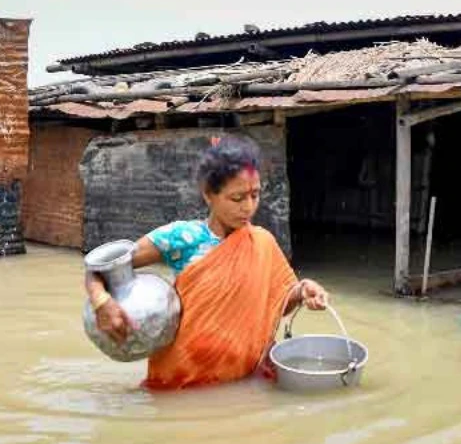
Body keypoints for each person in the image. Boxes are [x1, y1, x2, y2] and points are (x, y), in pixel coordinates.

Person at [84, 134, 330, 391]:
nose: (248, 207)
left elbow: (277, 305)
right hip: (180, 381)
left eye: (255, 195)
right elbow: (97, 270)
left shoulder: (262, 242)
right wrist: (102, 302)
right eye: (237, 198)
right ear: (208, 195)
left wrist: (303, 292)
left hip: (243, 381)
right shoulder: (182, 237)